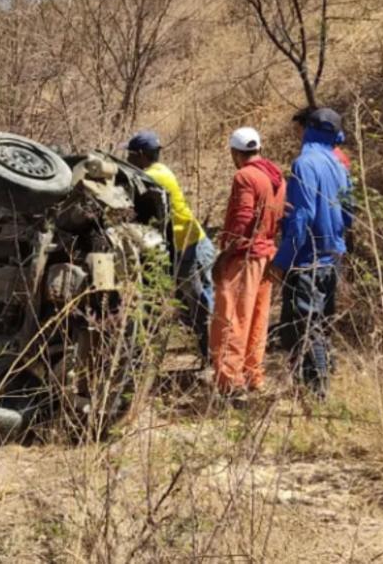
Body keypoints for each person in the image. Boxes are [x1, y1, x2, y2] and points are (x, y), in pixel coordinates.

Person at [271, 108, 352, 399]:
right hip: (332, 257)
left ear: (310, 129)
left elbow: (300, 218)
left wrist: (282, 260)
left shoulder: (305, 164)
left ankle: (317, 394)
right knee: (322, 323)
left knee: (305, 326)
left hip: (307, 259)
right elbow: (348, 213)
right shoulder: (338, 164)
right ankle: (320, 381)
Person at [121, 130, 216, 361]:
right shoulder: (159, 171)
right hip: (188, 244)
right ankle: (211, 353)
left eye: (131, 155)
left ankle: (214, 355)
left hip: (191, 246)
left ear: (142, 155)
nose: (127, 160)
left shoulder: (153, 176)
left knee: (202, 303)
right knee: (194, 303)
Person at [209, 127, 286, 397]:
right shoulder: (275, 175)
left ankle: (230, 381)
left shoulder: (245, 176)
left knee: (232, 318)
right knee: (257, 319)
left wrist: (224, 255)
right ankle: (253, 375)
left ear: (235, 152)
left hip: (244, 256)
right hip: (267, 254)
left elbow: (242, 221)